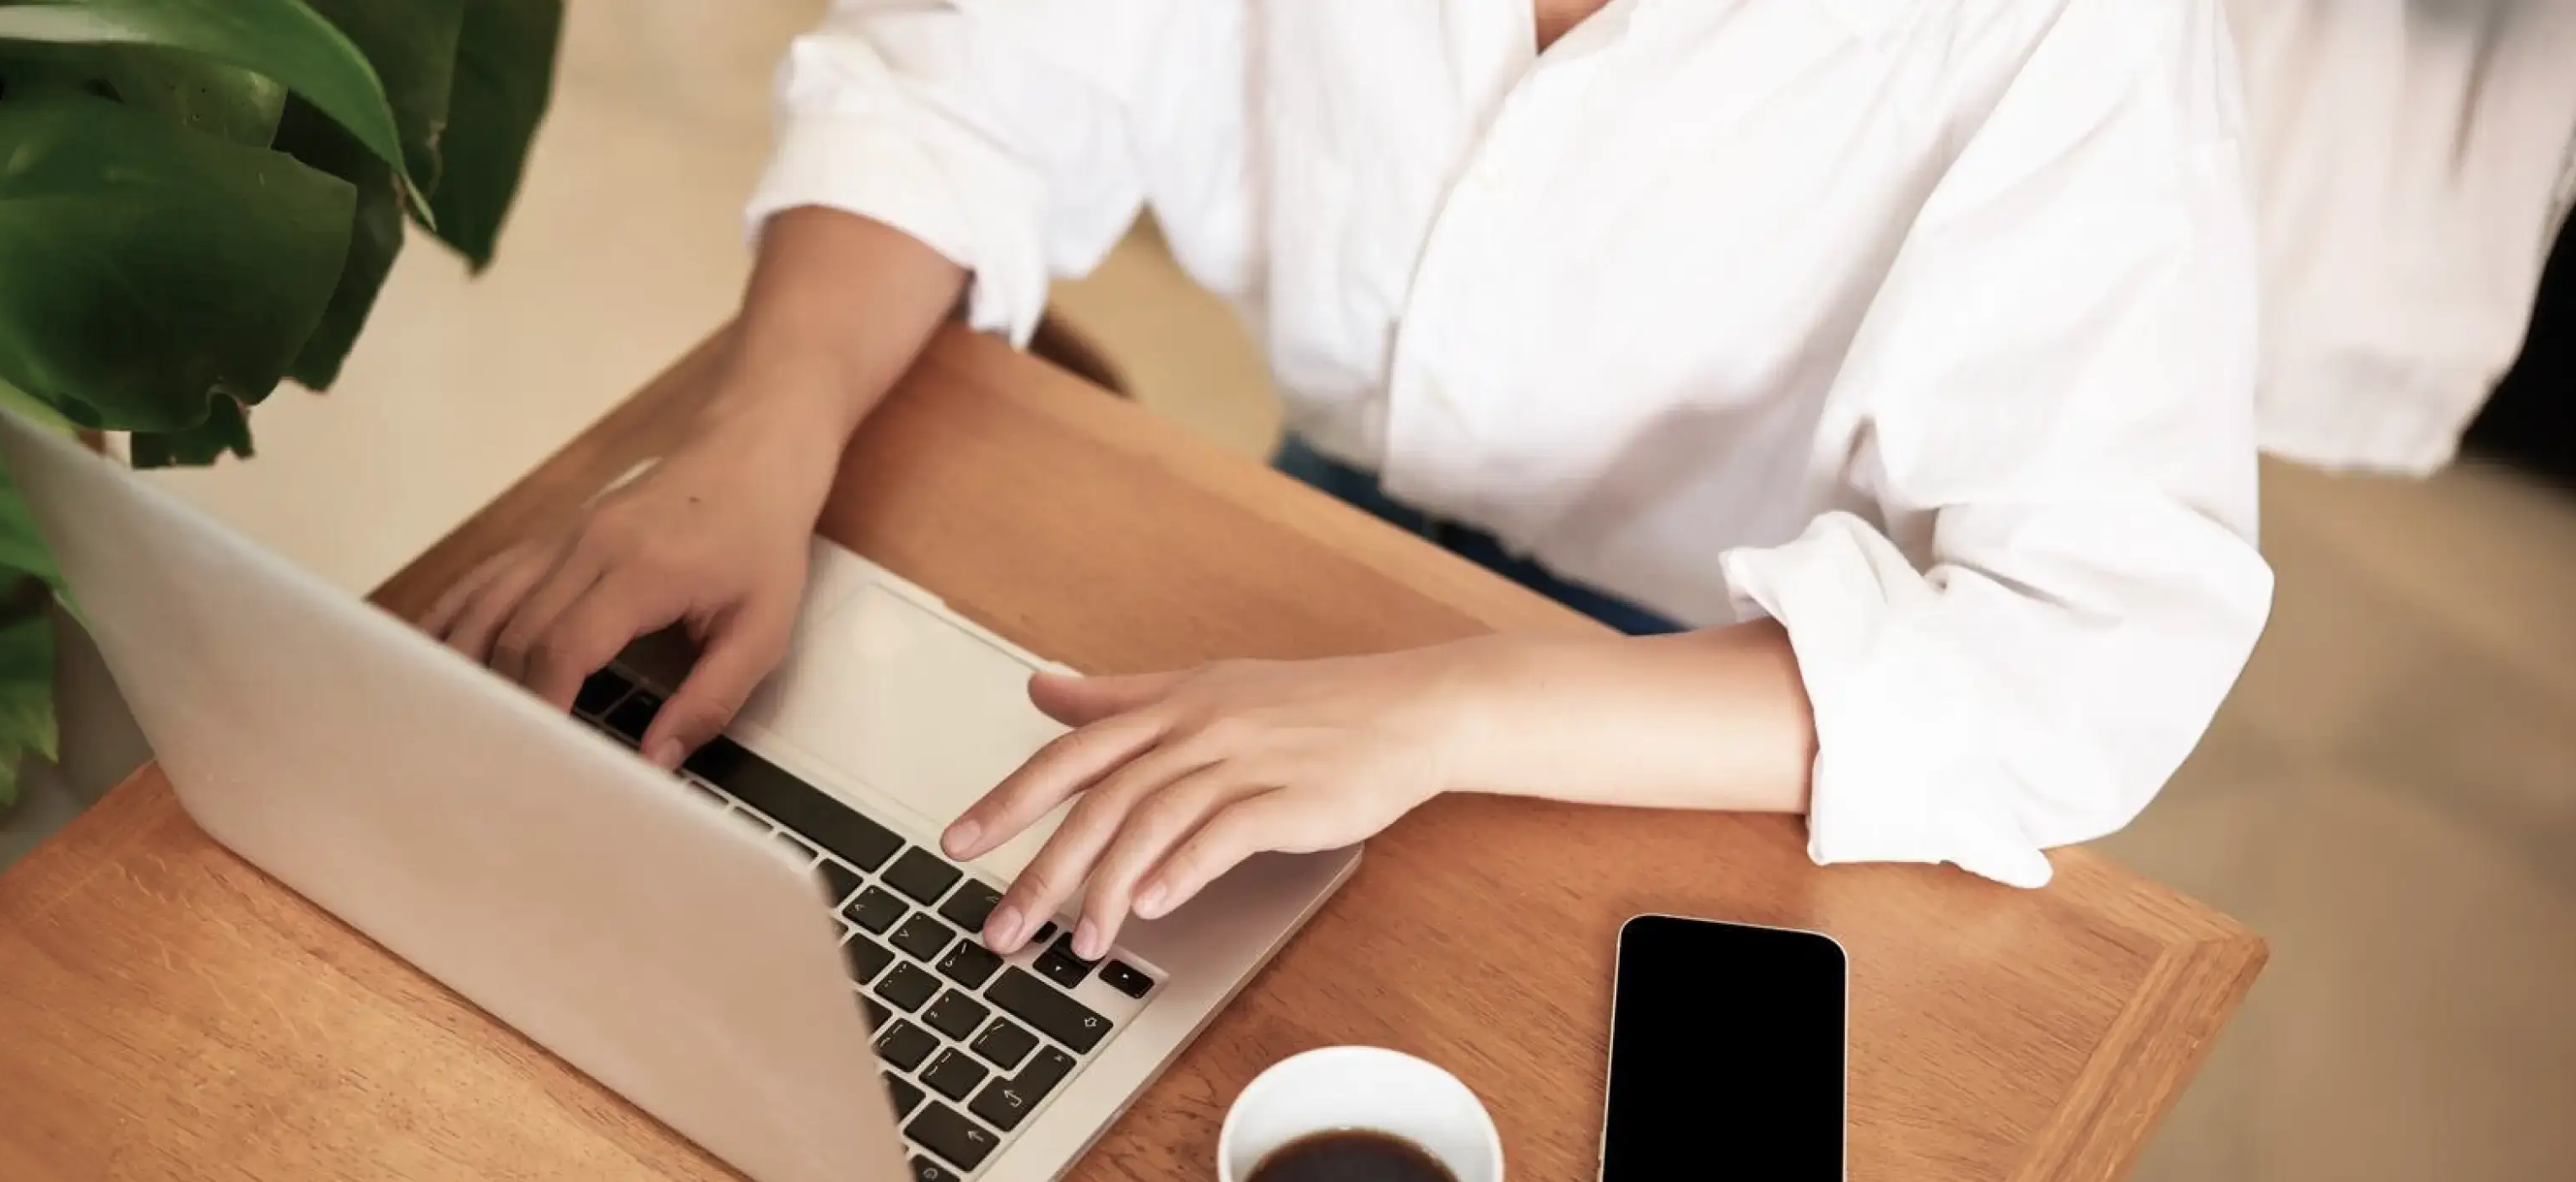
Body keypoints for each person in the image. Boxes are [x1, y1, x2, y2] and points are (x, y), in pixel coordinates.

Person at [427, 0, 2273, 962]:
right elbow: (960, 82)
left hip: (1726, 681)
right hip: (1333, 514)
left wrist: (1447, 706)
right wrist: (755, 436)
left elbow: (2066, 664)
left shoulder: (2078, 36)